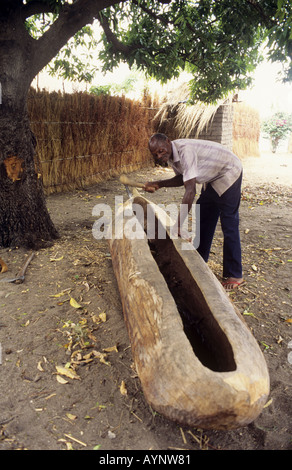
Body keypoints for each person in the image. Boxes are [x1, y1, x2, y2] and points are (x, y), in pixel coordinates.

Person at [144, 133, 244, 290]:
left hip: (229, 170)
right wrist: (159, 183)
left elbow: (190, 190)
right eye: (155, 154)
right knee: (203, 214)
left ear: (168, 142)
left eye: (161, 151)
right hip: (213, 176)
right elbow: (182, 178)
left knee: (229, 222)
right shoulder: (171, 155)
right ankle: (201, 259)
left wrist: (178, 225)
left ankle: (234, 273)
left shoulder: (186, 151)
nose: (159, 155)